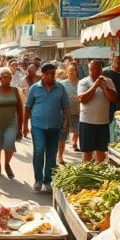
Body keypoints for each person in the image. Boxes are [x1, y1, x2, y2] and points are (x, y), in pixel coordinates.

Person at [23, 63, 69, 192]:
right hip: (38, 125)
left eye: (53, 74)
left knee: (51, 154)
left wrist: (66, 121)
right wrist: (24, 125)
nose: (52, 76)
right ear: (42, 74)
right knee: (39, 149)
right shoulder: (34, 88)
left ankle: (48, 180)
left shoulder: (60, 88)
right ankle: (38, 180)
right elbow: (27, 107)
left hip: (55, 126)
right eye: (49, 74)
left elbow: (66, 106)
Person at [0, 67, 23, 179]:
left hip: (11, 122)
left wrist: (20, 126)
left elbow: (20, 108)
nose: (7, 79)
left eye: (9, 77)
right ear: (0, 79)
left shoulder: (15, 90)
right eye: (4, 77)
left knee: (9, 143)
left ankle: (7, 164)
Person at [77, 60, 117, 163]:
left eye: (97, 69)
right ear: (88, 70)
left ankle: (99, 175)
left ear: (101, 70)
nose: (94, 71)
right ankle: (86, 174)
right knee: (87, 152)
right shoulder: (83, 82)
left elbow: (113, 99)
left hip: (102, 122)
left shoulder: (108, 81)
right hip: (87, 122)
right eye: (91, 69)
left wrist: (105, 88)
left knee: (101, 151)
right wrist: (95, 85)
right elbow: (83, 99)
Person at [60, 63, 81, 164]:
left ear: (77, 72)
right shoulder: (62, 84)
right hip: (65, 113)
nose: (72, 72)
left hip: (78, 111)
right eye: (70, 70)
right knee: (63, 134)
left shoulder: (81, 83)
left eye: (74, 70)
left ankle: (74, 143)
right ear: (67, 72)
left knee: (77, 130)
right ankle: (60, 156)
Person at [103, 55, 120, 139]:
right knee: (106, 123)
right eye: (118, 62)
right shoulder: (106, 73)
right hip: (106, 103)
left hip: (117, 104)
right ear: (112, 62)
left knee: (114, 125)